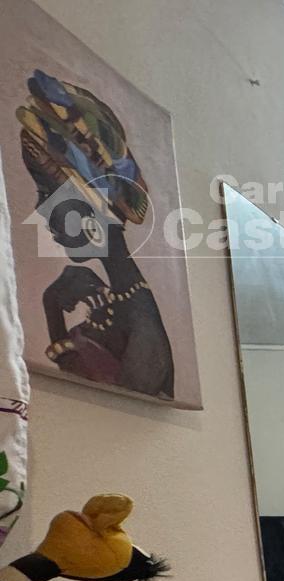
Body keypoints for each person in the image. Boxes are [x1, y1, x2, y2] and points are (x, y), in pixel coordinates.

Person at [18, 69, 175, 399]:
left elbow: (120, 409)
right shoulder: (120, 302)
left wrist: (53, 312)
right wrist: (51, 303)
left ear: (94, 207)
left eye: (48, 193)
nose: (40, 210)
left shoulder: (142, 327)